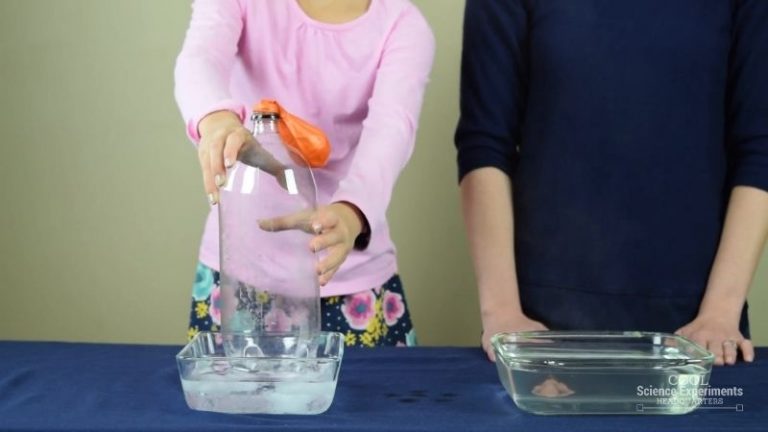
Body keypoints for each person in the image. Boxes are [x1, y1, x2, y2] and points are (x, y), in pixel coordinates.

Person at [455, 0, 768, 365]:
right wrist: (502, 312)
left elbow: (759, 148)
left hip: (702, 331)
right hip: (542, 329)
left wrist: (720, 311)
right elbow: (485, 144)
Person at [175, 0, 434, 347]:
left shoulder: (403, 25)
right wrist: (217, 120)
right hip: (236, 279)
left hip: (351, 283)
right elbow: (200, 58)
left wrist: (351, 211)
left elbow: (393, 128)